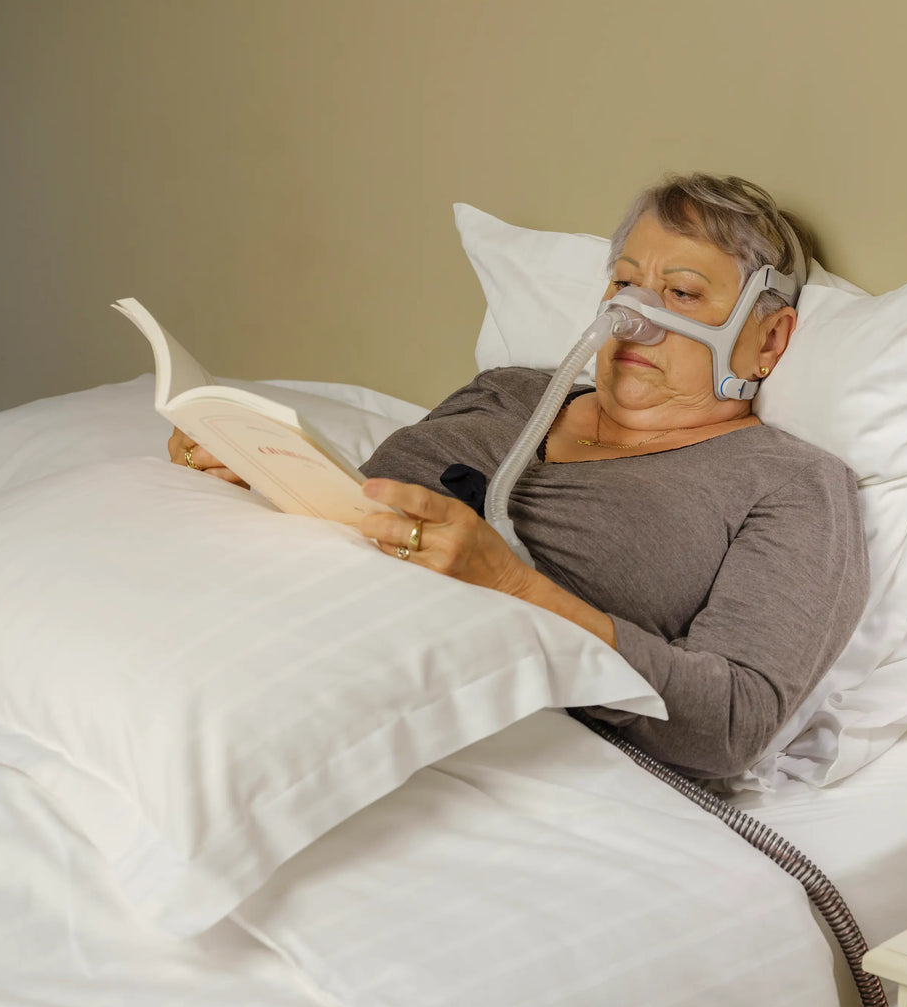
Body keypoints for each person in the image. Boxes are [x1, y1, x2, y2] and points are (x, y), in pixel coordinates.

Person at [170, 174, 868, 779]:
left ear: (768, 339)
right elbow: (377, 508)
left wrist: (513, 587)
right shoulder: (511, 392)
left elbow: (732, 723)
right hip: (254, 625)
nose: (634, 315)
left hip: (417, 716)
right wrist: (261, 470)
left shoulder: (789, 486)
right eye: (625, 282)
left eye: (681, 292)